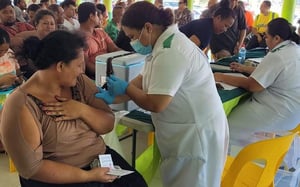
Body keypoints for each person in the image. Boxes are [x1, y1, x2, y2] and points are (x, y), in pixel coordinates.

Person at [96, 2, 229, 187]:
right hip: (185, 131)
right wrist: (113, 97)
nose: (132, 42)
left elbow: (157, 103)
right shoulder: (160, 45)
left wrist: (126, 88)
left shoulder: (171, 51)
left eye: (132, 36)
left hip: (195, 136)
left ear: (148, 28)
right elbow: (143, 80)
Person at [1, 30, 148, 187]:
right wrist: (88, 176)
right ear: (61, 66)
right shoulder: (22, 104)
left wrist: (81, 110)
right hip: (59, 178)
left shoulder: (79, 82)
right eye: (78, 65)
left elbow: (108, 124)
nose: (82, 70)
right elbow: (32, 169)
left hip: (98, 161)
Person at [214, 18, 300, 146]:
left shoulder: (277, 55)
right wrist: (244, 68)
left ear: (276, 38)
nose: (264, 40)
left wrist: (221, 77)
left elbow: (253, 85)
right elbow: (273, 72)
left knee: (224, 125)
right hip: (294, 114)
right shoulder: (293, 49)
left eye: (266, 36)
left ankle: (232, 156)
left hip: (276, 110)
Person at [78, 2, 120, 80]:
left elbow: (114, 49)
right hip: (95, 76)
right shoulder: (79, 38)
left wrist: (127, 56)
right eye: (97, 15)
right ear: (91, 16)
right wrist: (106, 73)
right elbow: (87, 65)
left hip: (111, 69)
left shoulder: (100, 32)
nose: (99, 17)